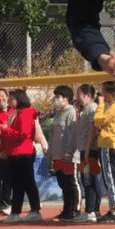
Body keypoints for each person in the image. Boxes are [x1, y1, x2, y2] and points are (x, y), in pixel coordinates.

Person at [0, 90, 48, 223]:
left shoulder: (25, 113)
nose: (9, 101)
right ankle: (26, 211)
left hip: (23, 153)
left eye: (12, 99)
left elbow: (23, 134)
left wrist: (5, 130)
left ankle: (25, 211)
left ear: (19, 99)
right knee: (22, 183)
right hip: (17, 152)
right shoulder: (18, 113)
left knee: (24, 183)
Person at [93, 81, 115, 223]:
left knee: (110, 178)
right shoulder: (111, 106)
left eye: (104, 92)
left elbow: (98, 119)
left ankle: (114, 209)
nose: (102, 95)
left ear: (112, 94)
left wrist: (100, 104)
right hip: (107, 143)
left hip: (109, 144)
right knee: (111, 177)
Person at [48, 85, 80, 221]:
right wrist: (50, 154)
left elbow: (72, 134)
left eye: (58, 97)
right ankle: (66, 210)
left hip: (67, 156)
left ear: (66, 98)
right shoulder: (58, 114)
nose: (56, 100)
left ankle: (74, 210)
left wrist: (69, 153)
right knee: (62, 183)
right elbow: (54, 135)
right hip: (57, 155)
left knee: (70, 182)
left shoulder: (71, 112)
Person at [71, 84, 101, 223]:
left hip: (90, 150)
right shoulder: (84, 110)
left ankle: (91, 210)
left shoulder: (92, 109)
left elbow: (92, 131)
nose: (78, 98)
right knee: (88, 180)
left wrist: (88, 152)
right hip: (84, 149)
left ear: (88, 96)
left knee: (90, 180)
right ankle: (93, 210)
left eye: (80, 95)